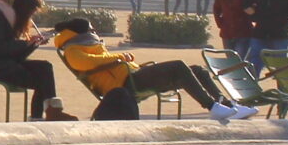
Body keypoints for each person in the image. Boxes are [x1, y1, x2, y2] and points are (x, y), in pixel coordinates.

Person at [47, 19, 247, 121]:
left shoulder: (88, 44)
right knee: (178, 66)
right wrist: (118, 56)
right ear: (81, 32)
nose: (94, 32)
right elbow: (85, 63)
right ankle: (212, 107)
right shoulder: (72, 49)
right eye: (91, 30)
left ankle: (228, 105)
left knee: (196, 70)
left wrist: (118, 58)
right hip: (125, 83)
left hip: (133, 75)